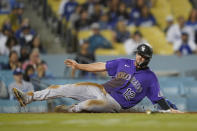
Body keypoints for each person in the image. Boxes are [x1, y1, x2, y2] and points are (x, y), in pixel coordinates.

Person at [12, 44, 182, 113]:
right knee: (64, 88)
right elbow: (100, 66)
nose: (140, 58)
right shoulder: (124, 62)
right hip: (100, 89)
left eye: (144, 56)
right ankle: (29, 97)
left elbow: (158, 99)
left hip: (115, 104)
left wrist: (170, 110)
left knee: (87, 106)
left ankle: (69, 110)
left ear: (148, 59)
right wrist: (79, 66)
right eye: (139, 54)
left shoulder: (150, 77)